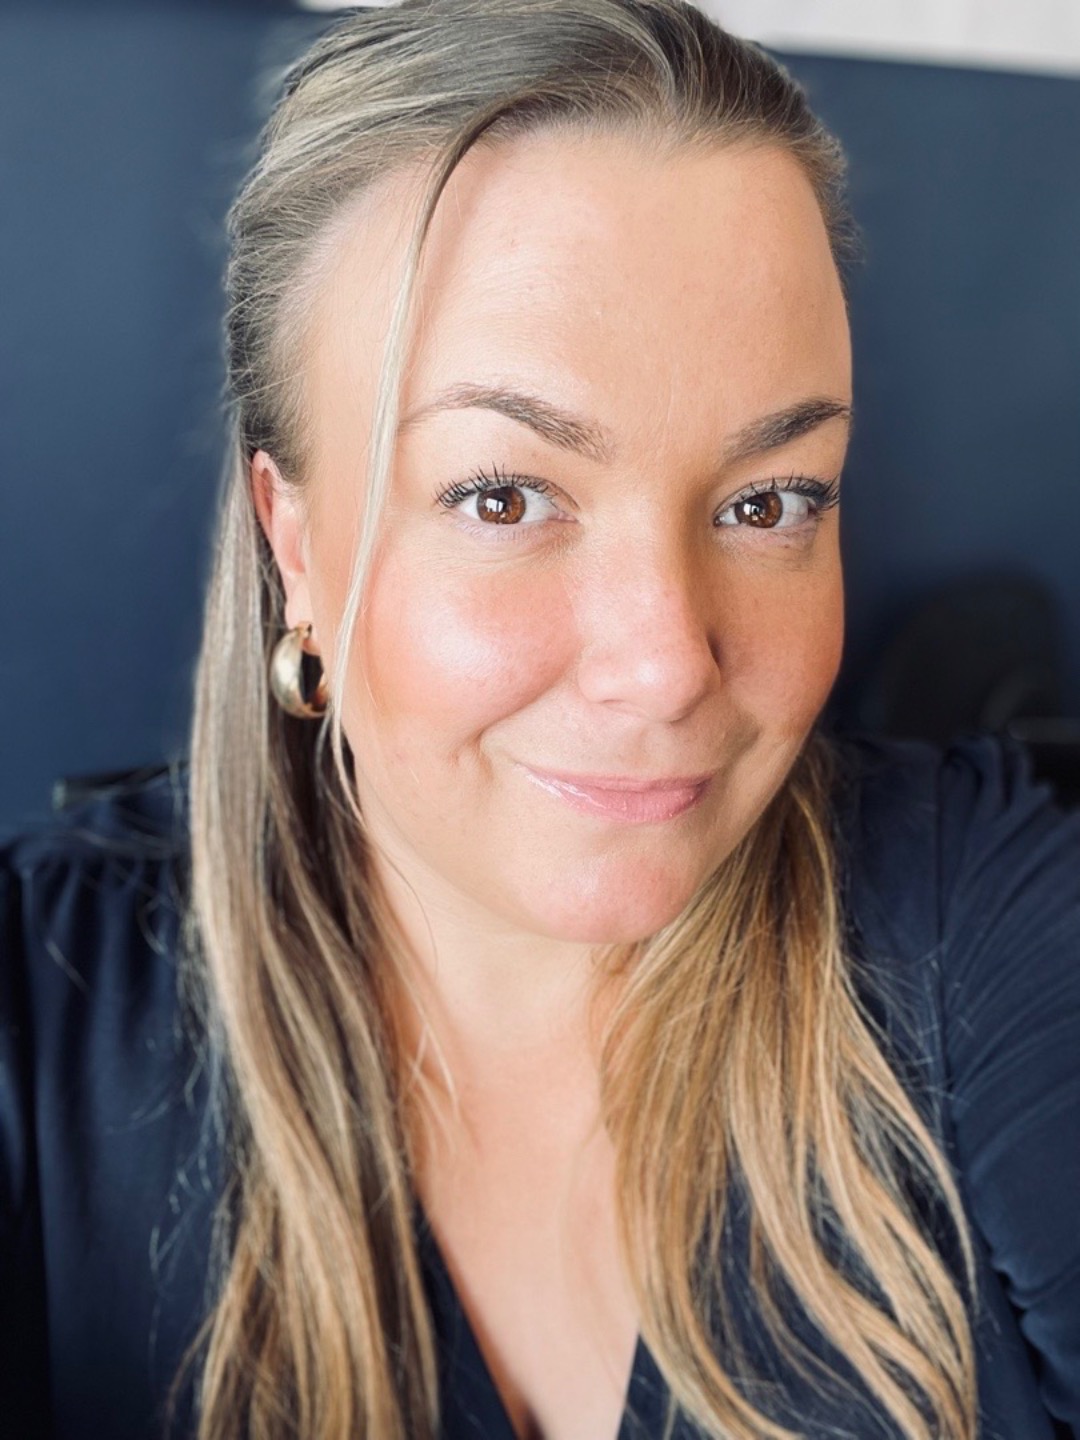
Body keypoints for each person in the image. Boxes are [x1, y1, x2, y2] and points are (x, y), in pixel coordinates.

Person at [1, 1, 1078, 1437]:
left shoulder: (982, 920)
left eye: (771, 502)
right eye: (502, 497)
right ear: (294, 545)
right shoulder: (38, 1021)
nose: (668, 665)